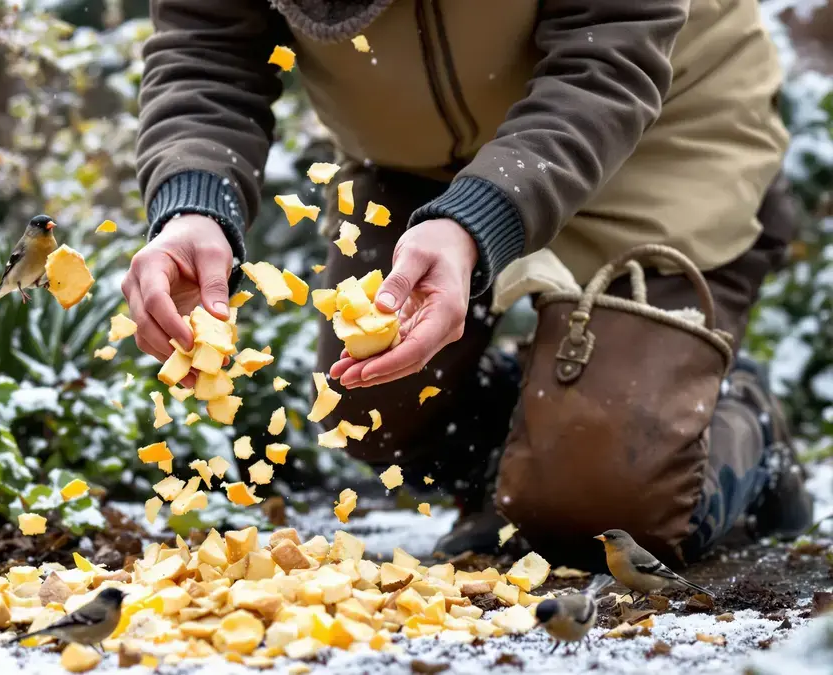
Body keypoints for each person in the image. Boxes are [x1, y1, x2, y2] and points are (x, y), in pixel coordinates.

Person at [123, 0, 814, 559]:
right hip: (422, 163)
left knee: (614, 503)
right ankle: (542, 450)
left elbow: (608, 60)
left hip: (655, 124)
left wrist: (476, 220)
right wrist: (192, 204)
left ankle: (738, 420)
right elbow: (207, 50)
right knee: (364, 405)